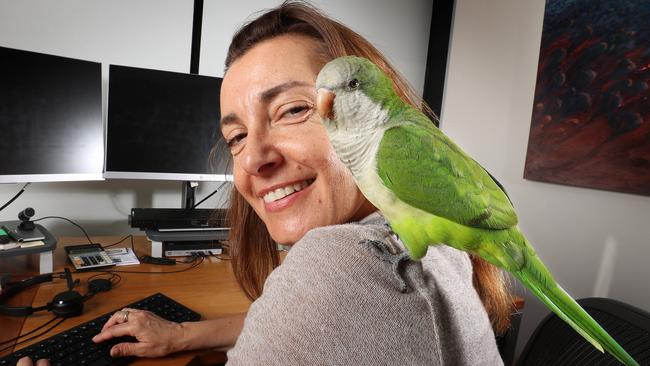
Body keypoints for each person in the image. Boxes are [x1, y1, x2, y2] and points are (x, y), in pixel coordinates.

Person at [19, 2, 513, 365]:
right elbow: (317, 327)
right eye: (235, 136)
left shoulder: (342, 261)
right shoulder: (426, 237)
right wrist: (183, 336)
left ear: (373, 110)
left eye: (294, 110)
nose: (253, 158)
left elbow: (327, 300)